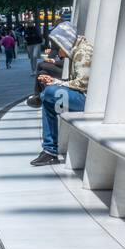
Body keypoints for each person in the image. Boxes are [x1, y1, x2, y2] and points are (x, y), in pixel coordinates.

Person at [32, 34, 93, 166]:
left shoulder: (83, 52)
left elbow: (83, 84)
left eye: (59, 50)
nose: (60, 55)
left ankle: (50, 150)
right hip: (83, 96)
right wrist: (56, 82)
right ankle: (50, 151)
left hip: (88, 100)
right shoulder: (77, 50)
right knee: (48, 99)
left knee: (48, 93)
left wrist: (56, 82)